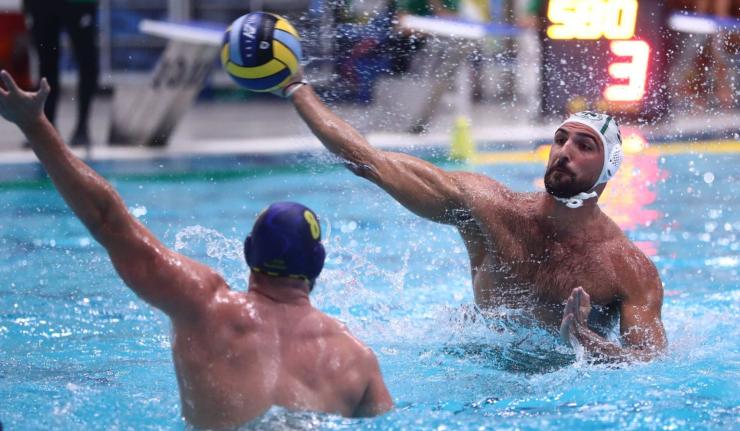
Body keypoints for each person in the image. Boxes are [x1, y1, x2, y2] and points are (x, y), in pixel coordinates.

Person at [0, 71, 392, 429]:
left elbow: (107, 220)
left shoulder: (205, 306)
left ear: (248, 252)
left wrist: (34, 124)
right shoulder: (357, 360)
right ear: (318, 263)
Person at [278, 77, 667, 362]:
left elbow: (649, 364)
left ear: (608, 169)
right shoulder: (491, 209)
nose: (564, 152)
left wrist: (587, 342)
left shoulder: (627, 268)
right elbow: (370, 162)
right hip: (476, 377)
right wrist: (297, 87)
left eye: (585, 146)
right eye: (561, 139)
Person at [23, 0, 99, 147]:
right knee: (46, 63)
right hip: (42, 4)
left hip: (78, 3)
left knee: (87, 61)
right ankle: (46, 126)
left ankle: (82, 127)